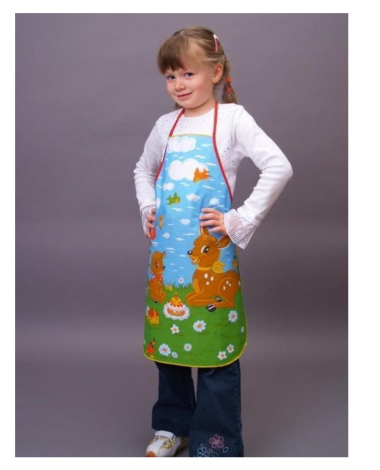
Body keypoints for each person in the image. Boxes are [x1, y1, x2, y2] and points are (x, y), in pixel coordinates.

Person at [133, 26, 293, 457]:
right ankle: (172, 426)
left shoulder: (233, 120)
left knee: (216, 351)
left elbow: (278, 166)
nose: (178, 84)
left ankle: (216, 442)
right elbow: (143, 170)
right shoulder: (165, 125)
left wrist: (239, 219)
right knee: (168, 347)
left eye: (188, 73)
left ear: (216, 72)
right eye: (171, 76)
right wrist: (149, 207)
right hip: (167, 257)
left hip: (211, 257)